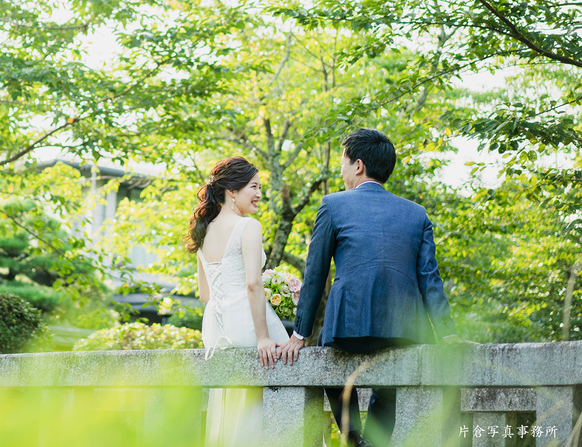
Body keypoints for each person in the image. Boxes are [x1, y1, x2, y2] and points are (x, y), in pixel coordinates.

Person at [278, 129, 460, 447]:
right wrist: (447, 332)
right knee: (387, 379)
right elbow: (430, 278)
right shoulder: (417, 214)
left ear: (358, 165)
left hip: (346, 326)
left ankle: (352, 435)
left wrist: (299, 334)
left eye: (344, 163)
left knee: (328, 367)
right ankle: (373, 442)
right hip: (403, 328)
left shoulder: (332, 205)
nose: (341, 171)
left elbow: (315, 272)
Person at [187, 156, 289, 447]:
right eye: (253, 187)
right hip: (248, 323)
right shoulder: (248, 226)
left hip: (216, 328)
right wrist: (262, 337)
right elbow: (253, 284)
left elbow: (205, 295)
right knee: (265, 408)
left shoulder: (203, 230)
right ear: (232, 191)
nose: (259, 194)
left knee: (230, 408)